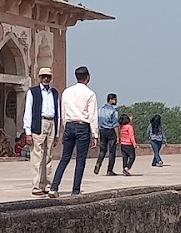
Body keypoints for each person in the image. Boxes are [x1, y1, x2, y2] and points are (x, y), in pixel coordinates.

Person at [49, 66, 97, 197]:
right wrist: (95, 134)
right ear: (88, 78)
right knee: (80, 160)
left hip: (69, 125)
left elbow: (63, 113)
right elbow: (92, 116)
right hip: (82, 126)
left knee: (65, 158)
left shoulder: (67, 92)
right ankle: (75, 190)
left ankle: (54, 187)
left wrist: (65, 127)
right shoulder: (90, 94)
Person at [22, 68, 60, 196]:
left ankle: (47, 184)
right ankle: (36, 185)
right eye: (43, 76)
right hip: (39, 123)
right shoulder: (33, 92)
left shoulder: (54, 93)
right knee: (37, 155)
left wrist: (57, 133)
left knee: (48, 156)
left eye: (48, 76)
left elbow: (58, 112)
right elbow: (28, 112)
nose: (46, 79)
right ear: (40, 77)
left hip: (51, 123)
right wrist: (28, 132)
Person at [96, 93, 120, 177]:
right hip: (110, 131)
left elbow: (98, 121)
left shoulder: (100, 110)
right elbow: (115, 124)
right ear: (111, 100)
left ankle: (98, 163)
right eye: (115, 99)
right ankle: (109, 170)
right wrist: (118, 136)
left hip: (102, 130)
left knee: (102, 150)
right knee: (112, 151)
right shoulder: (113, 111)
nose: (116, 101)